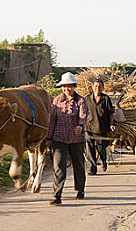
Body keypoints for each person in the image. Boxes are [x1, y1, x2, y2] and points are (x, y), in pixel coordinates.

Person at [47, 72, 88, 206]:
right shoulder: (57, 101)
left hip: (76, 139)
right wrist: (49, 137)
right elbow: (52, 120)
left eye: (69, 86)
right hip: (59, 138)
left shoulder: (81, 101)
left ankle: (80, 190)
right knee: (59, 167)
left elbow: (83, 115)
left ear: (74, 87)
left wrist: (80, 126)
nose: (67, 89)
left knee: (79, 165)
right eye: (64, 87)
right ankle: (57, 195)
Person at [85, 79, 115, 175]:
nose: (97, 88)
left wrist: (111, 124)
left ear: (103, 88)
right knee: (89, 149)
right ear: (92, 88)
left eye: (99, 86)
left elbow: (110, 113)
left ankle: (103, 160)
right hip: (89, 127)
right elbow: (83, 113)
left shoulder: (106, 99)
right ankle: (92, 169)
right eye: (96, 86)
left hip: (101, 128)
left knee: (101, 148)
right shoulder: (87, 99)